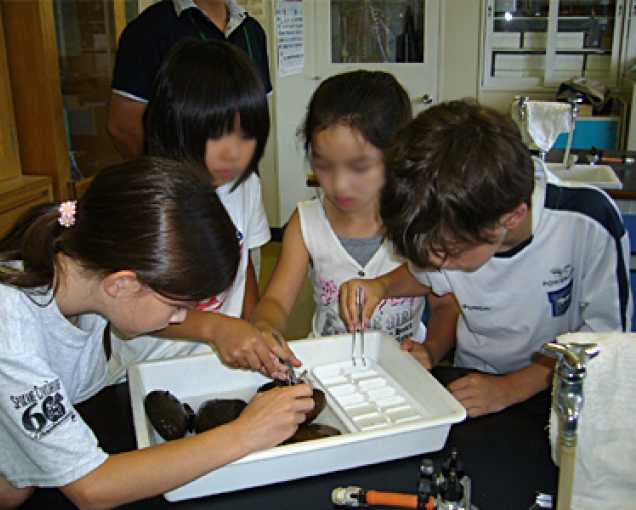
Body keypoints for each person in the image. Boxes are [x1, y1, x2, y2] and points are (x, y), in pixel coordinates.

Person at [0, 157, 313, 509]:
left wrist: (217, 327)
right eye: (177, 306)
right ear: (122, 284)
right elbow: (92, 488)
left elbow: (141, 313)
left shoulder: (83, 269)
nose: (179, 318)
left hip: (6, 451)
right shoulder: (4, 323)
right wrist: (245, 433)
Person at [340, 99, 632, 418]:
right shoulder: (457, 227)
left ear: (511, 218)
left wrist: (511, 388)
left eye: (446, 253)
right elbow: (426, 275)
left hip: (565, 388)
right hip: (476, 380)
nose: (435, 263)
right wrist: (380, 286)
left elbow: (603, 344)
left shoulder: (587, 223)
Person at [251, 70, 459, 346]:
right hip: (330, 368)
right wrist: (265, 327)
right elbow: (276, 301)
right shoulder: (306, 223)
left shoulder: (419, 218)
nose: (339, 185)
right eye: (323, 165)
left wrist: (430, 352)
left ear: (396, 156)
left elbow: (446, 306)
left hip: (403, 366)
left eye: (359, 167)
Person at [106, 39, 273, 383]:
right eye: (218, 137)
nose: (234, 155)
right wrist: (216, 326)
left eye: (246, 137)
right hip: (148, 369)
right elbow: (129, 313)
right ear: (178, 126)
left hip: (216, 362)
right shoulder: (146, 200)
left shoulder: (245, 186)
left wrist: (253, 326)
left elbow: (246, 269)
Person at [107, 0, 271, 160]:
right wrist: (161, 178)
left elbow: (258, 112)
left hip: (242, 176)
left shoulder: (252, 31)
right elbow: (122, 126)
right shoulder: (148, 30)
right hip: (180, 179)